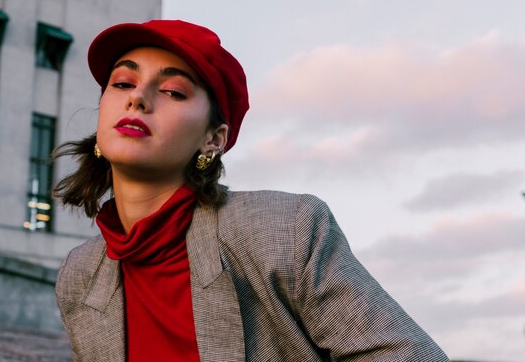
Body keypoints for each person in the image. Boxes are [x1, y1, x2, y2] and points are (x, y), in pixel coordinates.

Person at [54, 20, 449, 362]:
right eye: (123, 83)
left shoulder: (283, 231)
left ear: (213, 139)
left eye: (173, 91)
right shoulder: (80, 275)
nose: (137, 97)